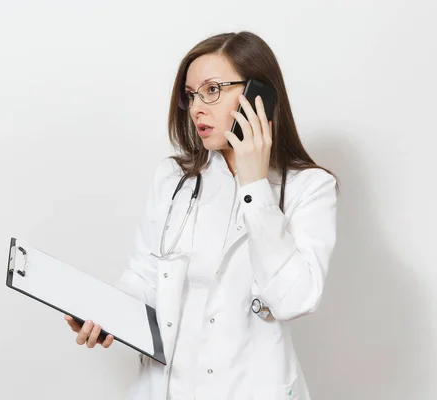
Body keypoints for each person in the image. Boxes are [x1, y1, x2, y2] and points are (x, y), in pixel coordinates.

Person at [64, 30, 339, 400]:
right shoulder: (173, 178)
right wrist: (105, 315)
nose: (196, 107)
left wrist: (255, 185)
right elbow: (143, 277)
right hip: (165, 388)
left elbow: (295, 300)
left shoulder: (309, 188)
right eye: (191, 95)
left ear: (261, 94)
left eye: (212, 90)